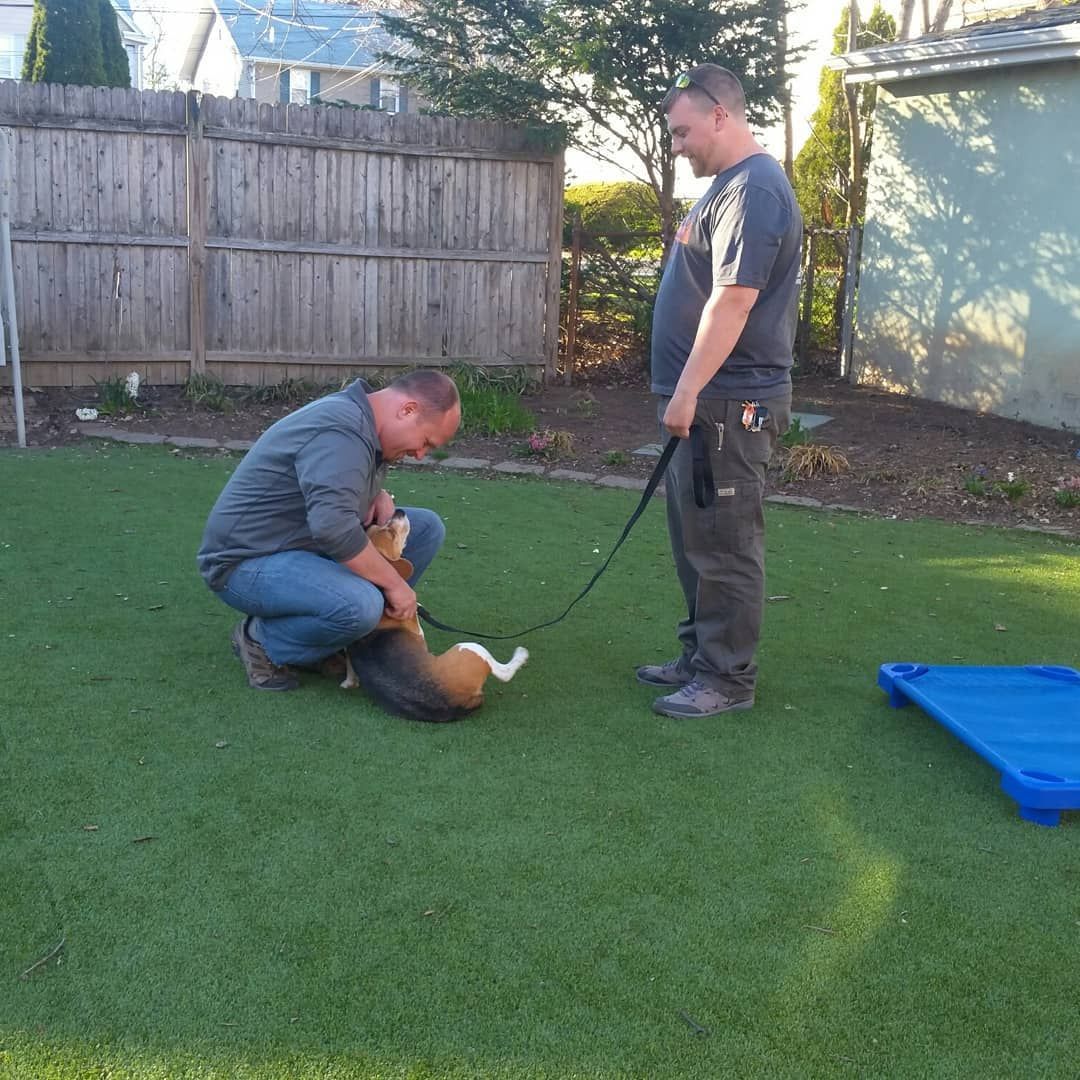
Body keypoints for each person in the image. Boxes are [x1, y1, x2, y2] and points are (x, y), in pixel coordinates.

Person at [637, 64, 803, 718]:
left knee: (726, 543)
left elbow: (732, 303)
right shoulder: (729, 187)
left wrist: (686, 392)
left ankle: (727, 680)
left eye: (682, 133)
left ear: (720, 116)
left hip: (730, 403)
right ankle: (700, 658)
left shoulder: (755, 190)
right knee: (696, 540)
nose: (676, 146)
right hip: (710, 403)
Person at [197, 370, 461, 691]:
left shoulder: (366, 423)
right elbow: (333, 529)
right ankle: (260, 640)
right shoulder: (342, 429)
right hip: (245, 561)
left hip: (298, 543)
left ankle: (335, 638)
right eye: (425, 442)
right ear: (407, 410)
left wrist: (374, 494)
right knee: (361, 606)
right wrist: (395, 586)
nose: (421, 454)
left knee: (426, 529)